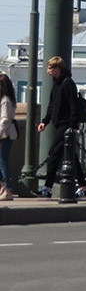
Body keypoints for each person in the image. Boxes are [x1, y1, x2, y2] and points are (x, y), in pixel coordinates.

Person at [38, 56, 86, 197]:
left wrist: (72, 126)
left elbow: (73, 105)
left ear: (57, 68)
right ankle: (83, 186)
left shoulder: (67, 83)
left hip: (66, 125)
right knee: (71, 157)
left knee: (53, 154)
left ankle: (47, 187)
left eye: (50, 68)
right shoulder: (57, 83)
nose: (48, 71)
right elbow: (52, 105)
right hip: (59, 124)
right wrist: (45, 121)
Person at [0, 73, 18, 201]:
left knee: (3, 162)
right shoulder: (8, 99)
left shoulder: (5, 100)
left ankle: (8, 189)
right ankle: (3, 186)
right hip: (5, 134)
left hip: (4, 135)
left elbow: (5, 120)